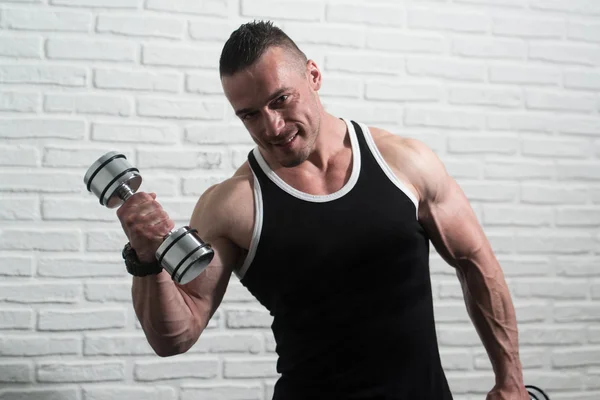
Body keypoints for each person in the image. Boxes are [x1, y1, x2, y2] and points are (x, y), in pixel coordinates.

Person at [116, 20, 529, 400]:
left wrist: (510, 382)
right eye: (249, 114)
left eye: (280, 100)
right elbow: (176, 336)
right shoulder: (231, 204)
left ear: (313, 75)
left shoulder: (404, 162)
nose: (271, 127)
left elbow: (476, 263)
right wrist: (146, 262)